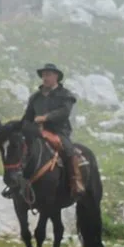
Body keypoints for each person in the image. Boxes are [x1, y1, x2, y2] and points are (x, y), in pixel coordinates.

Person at [25, 62, 85, 195]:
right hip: (37, 131)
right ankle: (18, 184)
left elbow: (64, 112)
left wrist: (46, 118)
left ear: (56, 77)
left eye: (48, 75)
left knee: (69, 150)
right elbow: (28, 117)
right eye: (43, 75)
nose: (45, 78)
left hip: (59, 131)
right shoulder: (35, 97)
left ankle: (75, 181)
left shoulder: (65, 95)